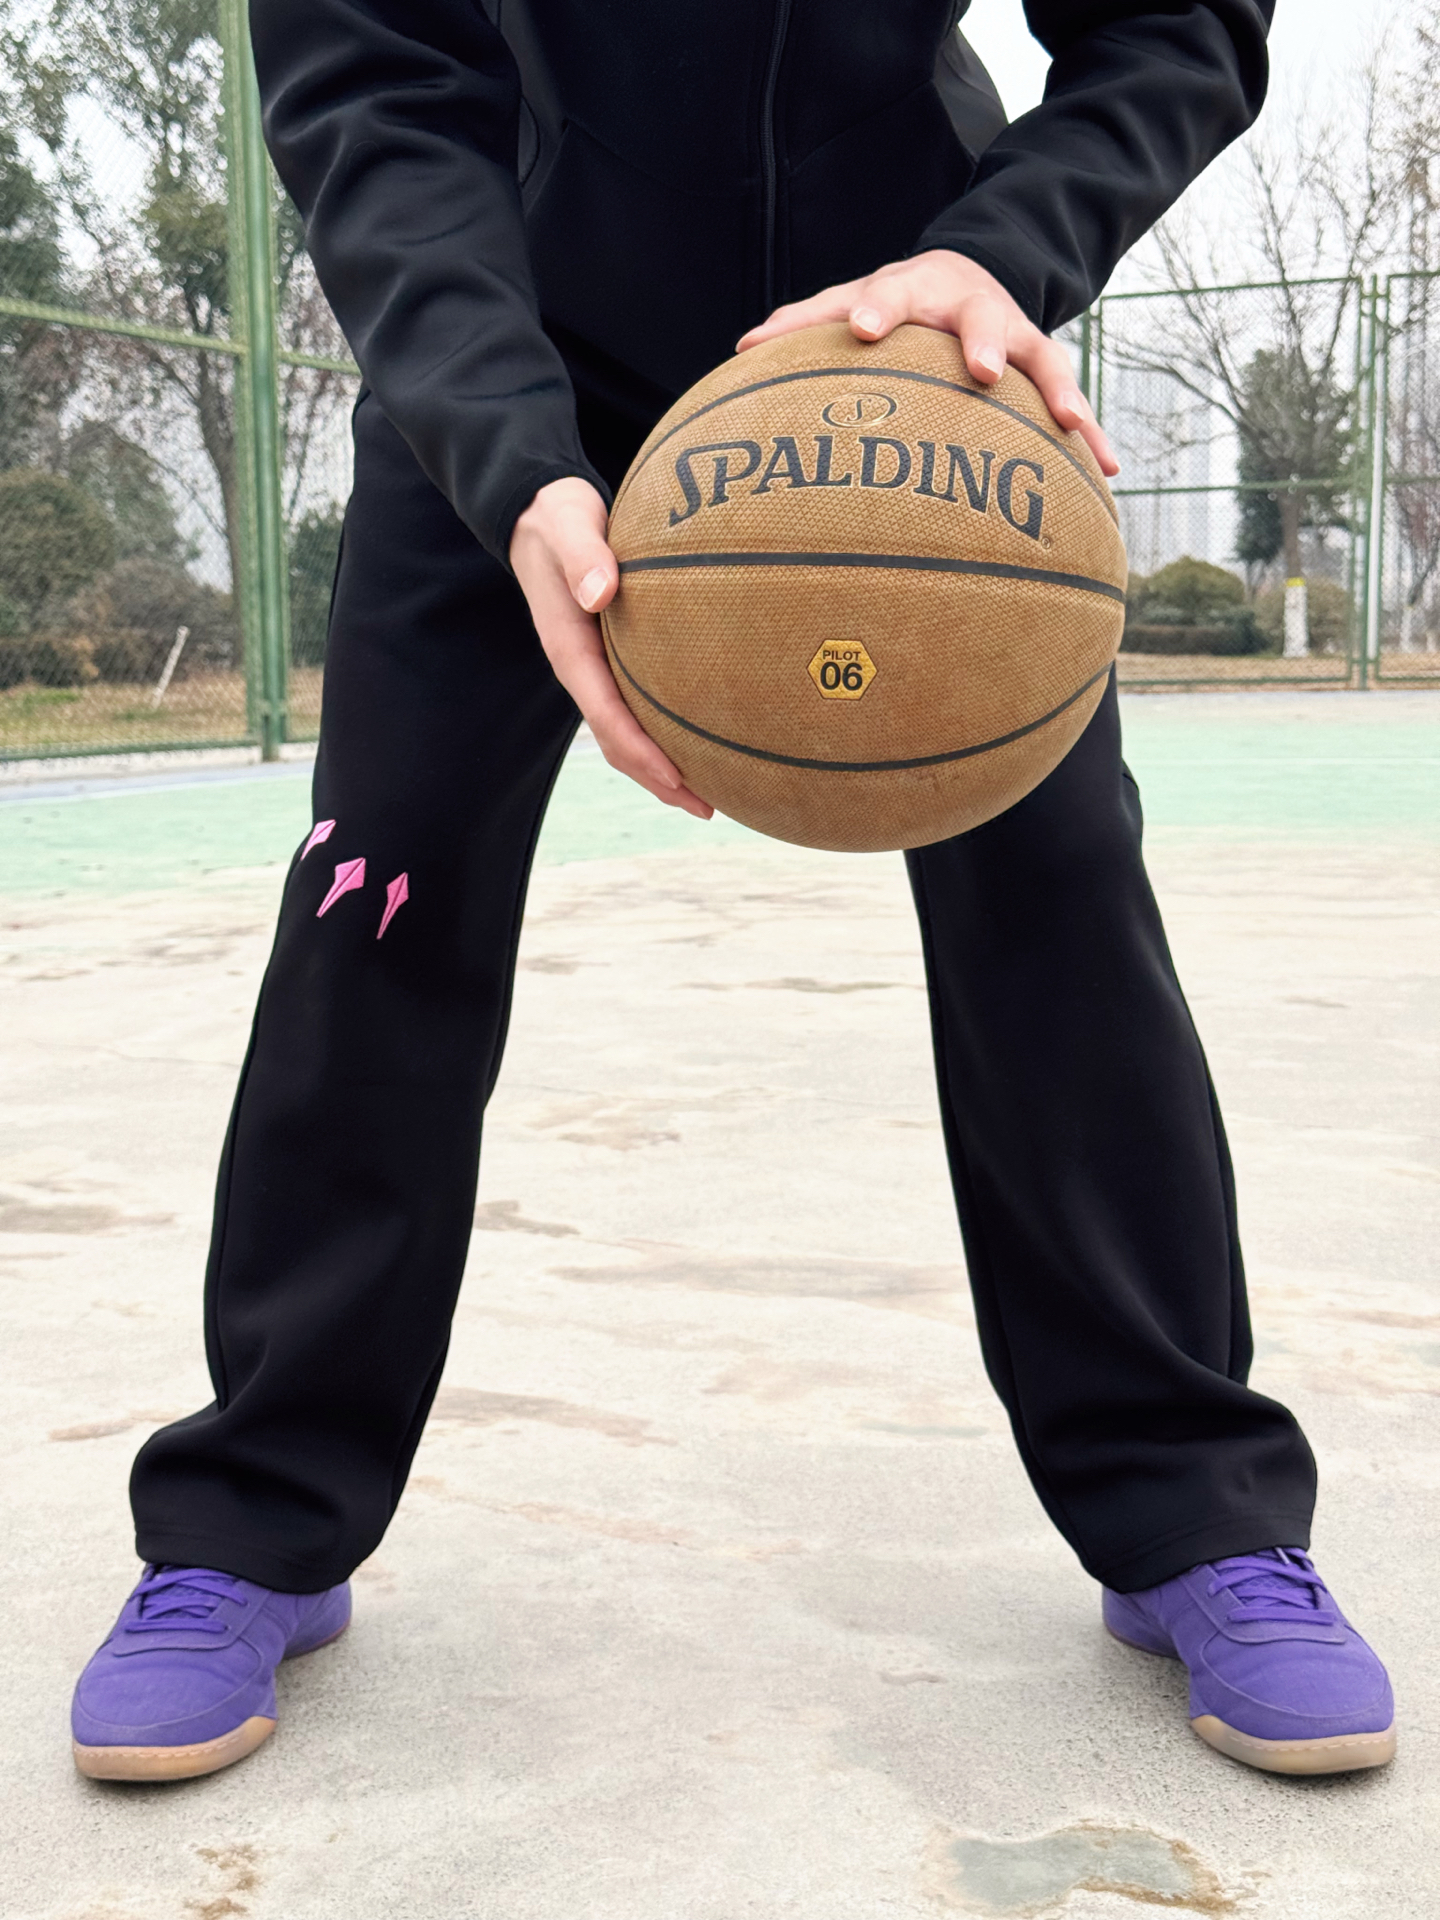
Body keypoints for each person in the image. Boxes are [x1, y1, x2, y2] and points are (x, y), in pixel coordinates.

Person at [71, 0, 1395, 1784]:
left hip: (898, 345)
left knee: (1063, 895)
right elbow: (380, 85)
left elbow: (1172, 27)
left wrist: (997, 251)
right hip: (520, 343)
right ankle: (251, 1523)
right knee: (378, 894)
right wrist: (506, 447)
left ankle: (1195, 1512)